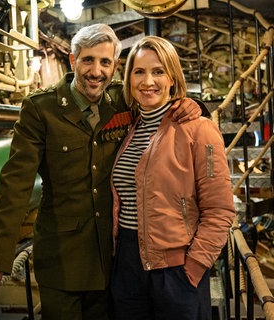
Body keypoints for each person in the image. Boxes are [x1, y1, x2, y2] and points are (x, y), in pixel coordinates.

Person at [0, 24, 201, 319]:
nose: (96, 71)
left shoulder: (123, 100)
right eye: (88, 60)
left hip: (113, 260)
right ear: (72, 61)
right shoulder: (41, 110)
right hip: (62, 261)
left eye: (105, 62)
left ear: (116, 67)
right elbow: (16, 185)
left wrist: (191, 105)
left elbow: (159, 98)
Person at [110, 35, 235, 320]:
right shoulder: (129, 129)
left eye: (158, 71)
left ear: (172, 78)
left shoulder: (198, 129)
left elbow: (220, 209)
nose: (148, 81)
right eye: (139, 71)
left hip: (177, 268)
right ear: (128, 78)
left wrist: (194, 267)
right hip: (127, 265)